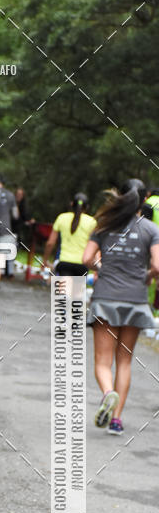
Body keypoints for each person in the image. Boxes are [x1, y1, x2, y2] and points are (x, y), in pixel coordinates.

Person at [82, 178, 159, 435]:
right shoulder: (150, 229)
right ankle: (116, 421)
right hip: (135, 300)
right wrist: (146, 277)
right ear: (144, 198)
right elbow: (158, 267)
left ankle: (107, 393)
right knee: (124, 362)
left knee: (103, 362)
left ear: (120, 196)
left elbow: (86, 259)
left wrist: (101, 268)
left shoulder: (104, 226)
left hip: (106, 298)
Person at [43, 193, 97, 276]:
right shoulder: (91, 222)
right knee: (77, 289)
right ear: (87, 207)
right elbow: (94, 247)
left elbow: (50, 243)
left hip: (64, 263)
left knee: (62, 289)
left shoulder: (62, 217)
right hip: (82, 265)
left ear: (72, 204)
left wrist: (45, 260)